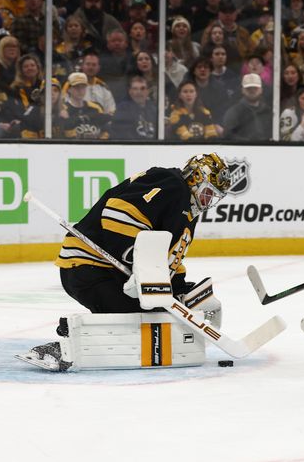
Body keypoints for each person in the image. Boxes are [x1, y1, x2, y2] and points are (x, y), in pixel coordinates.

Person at [19, 153, 232, 370]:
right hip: (90, 265)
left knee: (158, 317)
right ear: (195, 178)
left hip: (108, 272)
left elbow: (168, 257)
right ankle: (67, 343)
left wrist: (179, 289)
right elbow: (118, 212)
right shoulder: (173, 184)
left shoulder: (188, 210)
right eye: (208, 192)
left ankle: (78, 335)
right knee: (141, 322)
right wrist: (138, 264)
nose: (209, 201)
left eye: (214, 196)